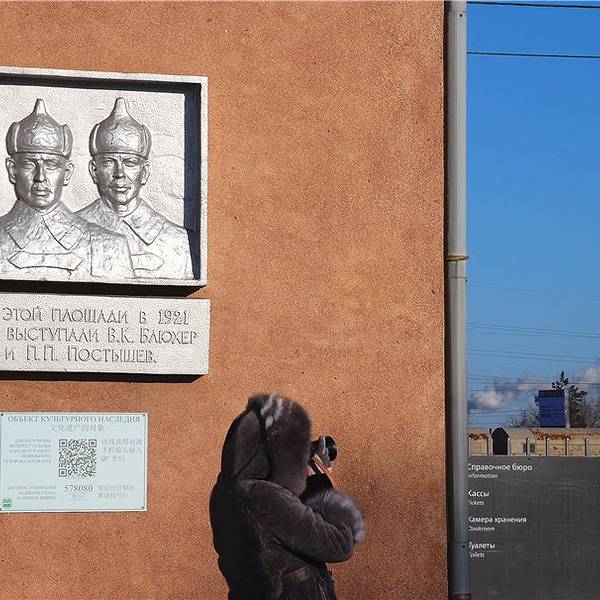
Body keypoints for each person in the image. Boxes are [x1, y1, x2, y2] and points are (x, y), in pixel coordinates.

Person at [210, 393, 364, 600]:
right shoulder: (264, 498)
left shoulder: (223, 494)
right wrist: (318, 481)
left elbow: (274, 536)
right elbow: (340, 544)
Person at [0, 99, 134, 280]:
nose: (40, 177)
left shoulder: (109, 246)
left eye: (51, 165)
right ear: (12, 170)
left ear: (67, 172)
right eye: (29, 164)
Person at [78, 97, 194, 280]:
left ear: (144, 172)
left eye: (130, 163)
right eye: (108, 162)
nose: (119, 174)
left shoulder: (178, 241)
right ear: (94, 170)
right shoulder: (73, 230)